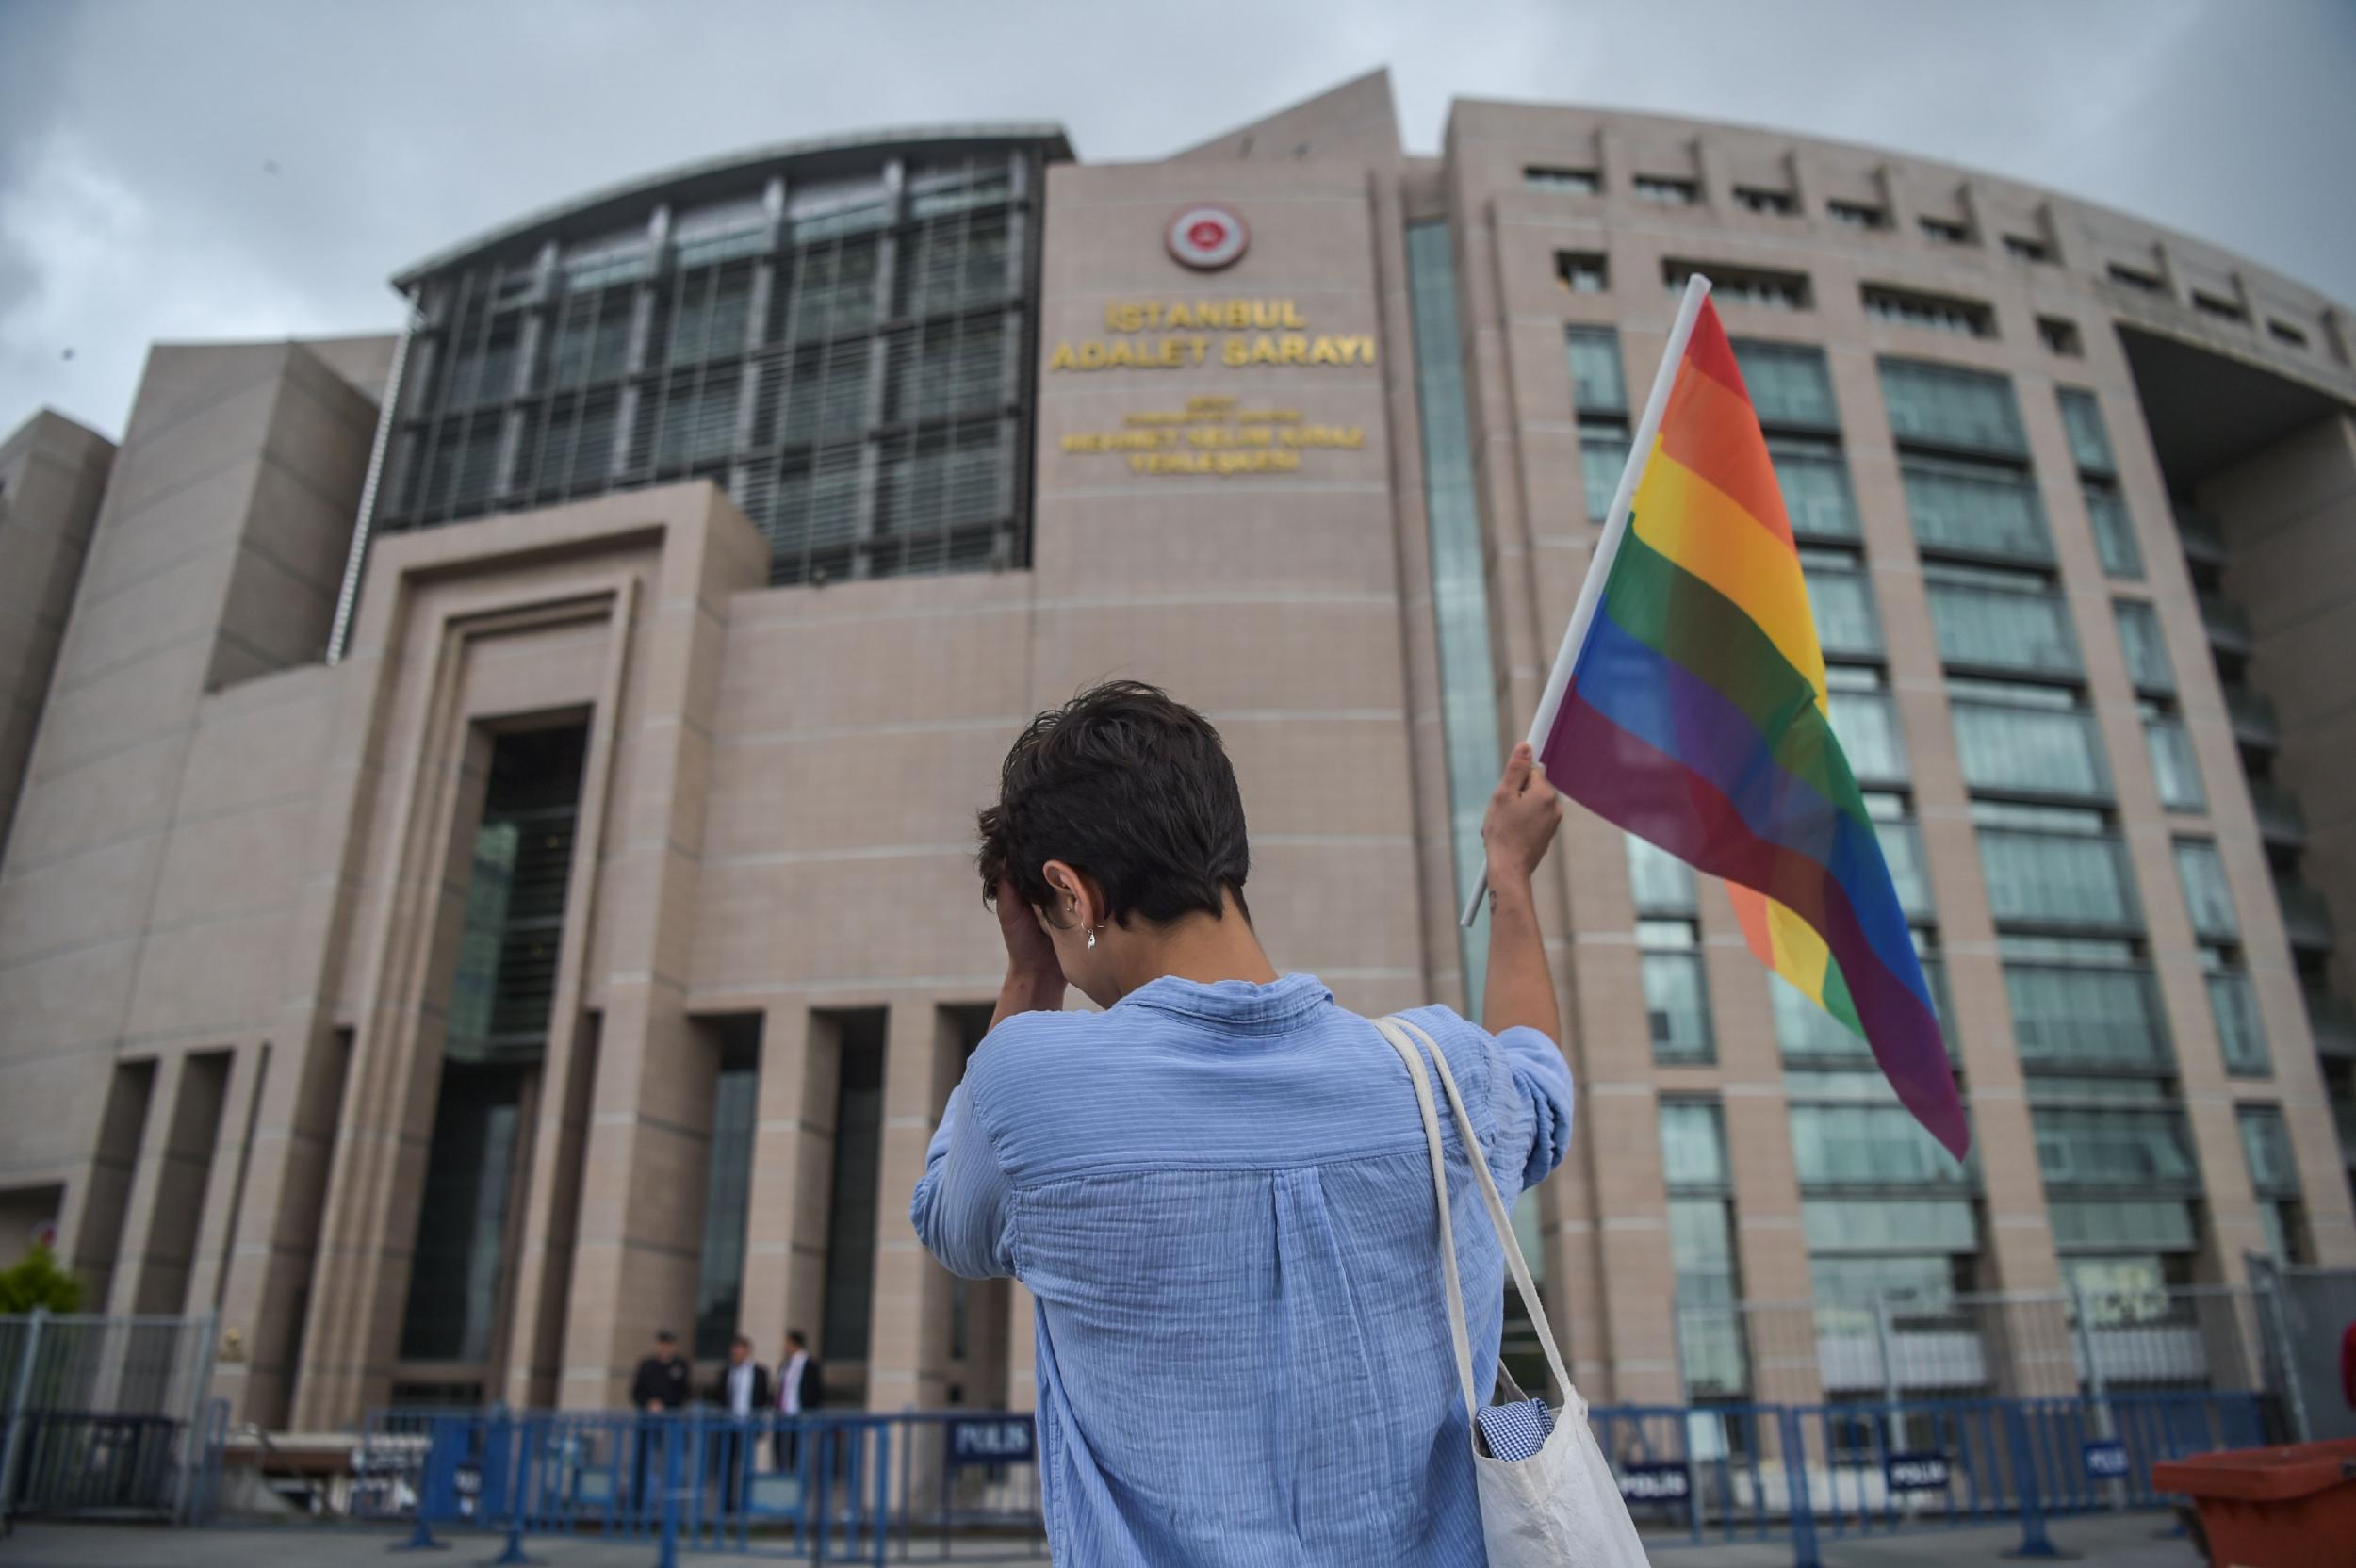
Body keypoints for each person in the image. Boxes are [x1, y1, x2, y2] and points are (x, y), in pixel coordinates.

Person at [911, 682, 1574, 1565]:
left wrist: (1029, 980)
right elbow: (1541, 1078)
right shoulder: (1442, 1075)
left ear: (1069, 893)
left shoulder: (1028, 1087)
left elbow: (952, 1224)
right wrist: (1509, 877)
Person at [705, 1333, 771, 1513]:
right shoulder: (726, 1372)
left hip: (749, 1425)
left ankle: (746, 1502)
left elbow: (764, 1399)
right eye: (735, 1352)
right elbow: (718, 1396)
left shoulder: (760, 1373)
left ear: (747, 1352)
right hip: (729, 1425)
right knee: (726, 1464)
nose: (738, 1355)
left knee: (747, 1466)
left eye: (741, 1352)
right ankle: (727, 1504)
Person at [627, 1329, 690, 1511]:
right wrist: (649, 1403)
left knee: (670, 1462)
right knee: (644, 1462)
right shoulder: (647, 1365)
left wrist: (665, 1404)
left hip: (670, 1422)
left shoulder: (680, 1366)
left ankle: (668, 1505)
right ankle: (640, 1504)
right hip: (647, 1420)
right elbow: (636, 1391)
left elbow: (683, 1392)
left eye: (668, 1344)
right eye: (662, 1344)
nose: (664, 1348)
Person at [772, 1328, 823, 1473]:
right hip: (782, 1415)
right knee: (780, 1452)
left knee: (797, 1453)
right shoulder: (785, 1365)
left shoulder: (809, 1365)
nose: (785, 1347)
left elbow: (815, 1392)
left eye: (787, 1343)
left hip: (799, 1415)